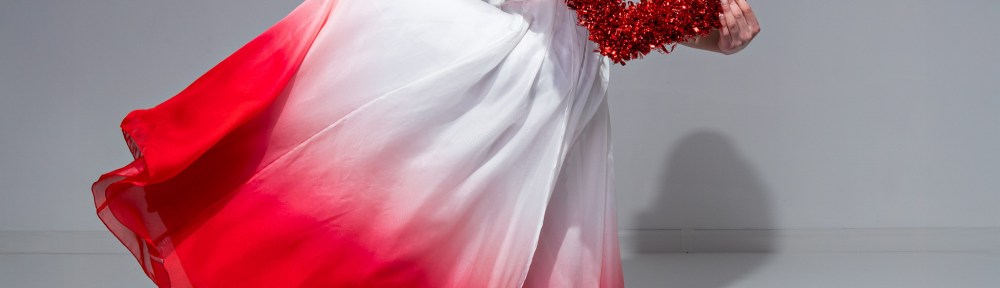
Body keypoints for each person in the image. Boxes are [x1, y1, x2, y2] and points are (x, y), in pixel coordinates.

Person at [91, 0, 759, 287]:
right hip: (486, 66)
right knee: (381, 250)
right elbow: (613, 16)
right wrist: (691, 15)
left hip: (561, 84)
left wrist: (712, 24)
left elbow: (619, 18)